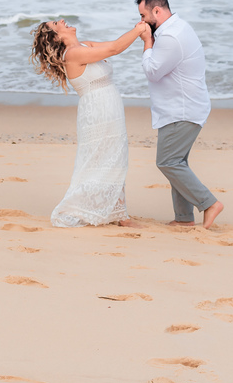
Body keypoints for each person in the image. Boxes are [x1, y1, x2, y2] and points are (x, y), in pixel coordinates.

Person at [30, 17, 148, 228]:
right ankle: (118, 216)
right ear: (57, 36)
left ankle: (119, 212)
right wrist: (138, 28)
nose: (63, 20)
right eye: (57, 23)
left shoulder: (85, 45)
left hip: (109, 107)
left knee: (115, 157)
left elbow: (113, 44)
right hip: (97, 111)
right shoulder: (73, 54)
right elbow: (114, 49)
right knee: (105, 159)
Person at [136, 0, 224, 229]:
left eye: (143, 15)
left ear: (157, 10)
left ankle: (209, 203)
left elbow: (153, 71)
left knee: (168, 162)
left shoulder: (171, 37)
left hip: (182, 110)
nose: (141, 21)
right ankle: (184, 219)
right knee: (177, 162)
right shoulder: (175, 29)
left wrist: (146, 42)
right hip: (183, 107)